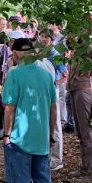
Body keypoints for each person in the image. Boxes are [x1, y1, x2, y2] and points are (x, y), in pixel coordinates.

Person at [0, 37, 57, 183]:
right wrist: (50, 133)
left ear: (14, 54)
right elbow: (53, 107)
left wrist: (6, 134)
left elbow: (9, 108)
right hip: (41, 138)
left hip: (19, 138)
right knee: (42, 179)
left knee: (19, 182)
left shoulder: (14, 75)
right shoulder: (46, 75)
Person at [66, 35, 92, 183]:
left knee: (87, 131)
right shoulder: (73, 50)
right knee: (80, 132)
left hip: (83, 91)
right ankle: (86, 167)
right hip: (74, 90)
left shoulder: (88, 49)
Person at [39, 29, 67, 172]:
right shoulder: (39, 53)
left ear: (51, 38)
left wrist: (55, 84)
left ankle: (57, 158)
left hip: (52, 95)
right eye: (42, 36)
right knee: (45, 125)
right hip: (41, 95)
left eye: (46, 37)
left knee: (55, 125)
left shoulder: (54, 55)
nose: (44, 39)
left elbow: (65, 74)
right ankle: (48, 156)